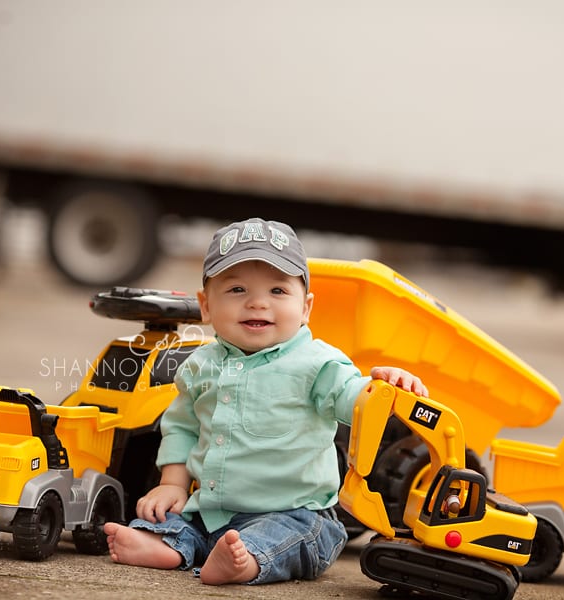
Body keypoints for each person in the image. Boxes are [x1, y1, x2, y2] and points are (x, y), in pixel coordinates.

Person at [103, 217, 427, 586]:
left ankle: (245, 561)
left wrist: (382, 387)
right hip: (212, 511)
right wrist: (173, 484)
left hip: (297, 514)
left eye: (277, 291)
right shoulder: (200, 366)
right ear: (205, 306)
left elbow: (352, 397)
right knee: (175, 518)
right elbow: (181, 427)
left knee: (283, 538)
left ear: (305, 308)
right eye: (238, 289)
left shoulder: (316, 363)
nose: (258, 303)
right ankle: (167, 544)